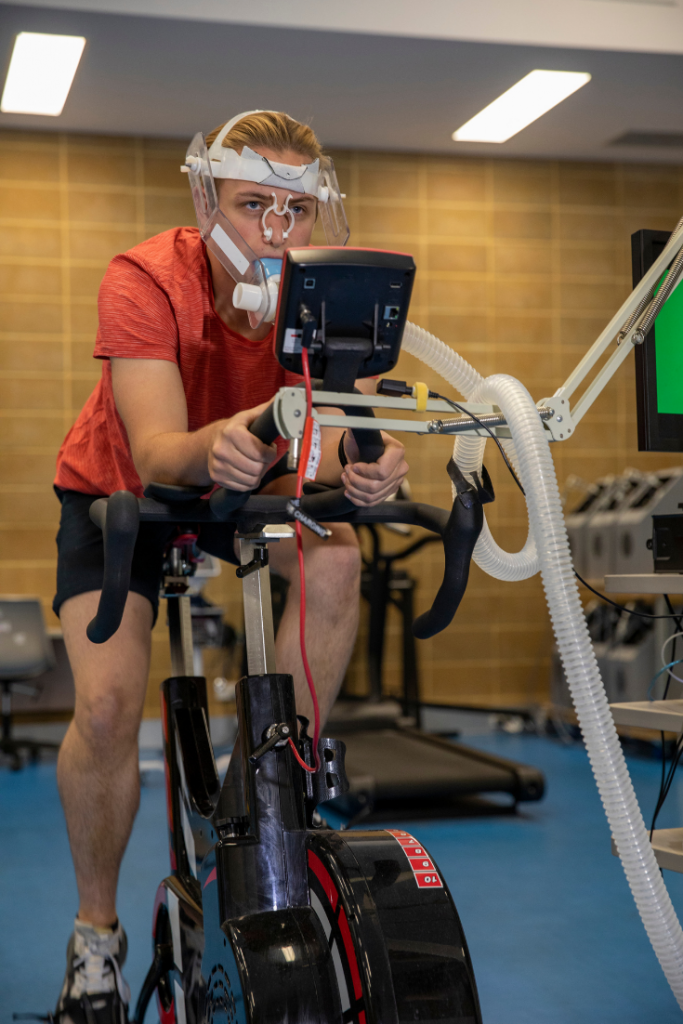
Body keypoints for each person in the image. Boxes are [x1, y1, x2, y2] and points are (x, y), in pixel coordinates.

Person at [51, 110, 409, 1024]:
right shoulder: (145, 277)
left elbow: (338, 438)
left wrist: (368, 464)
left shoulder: (327, 286)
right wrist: (231, 441)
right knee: (101, 705)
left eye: (295, 209)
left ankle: (267, 788)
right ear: (206, 196)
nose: (275, 233)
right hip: (129, 491)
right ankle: (97, 934)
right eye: (254, 206)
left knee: (336, 560)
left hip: (255, 480)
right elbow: (164, 447)